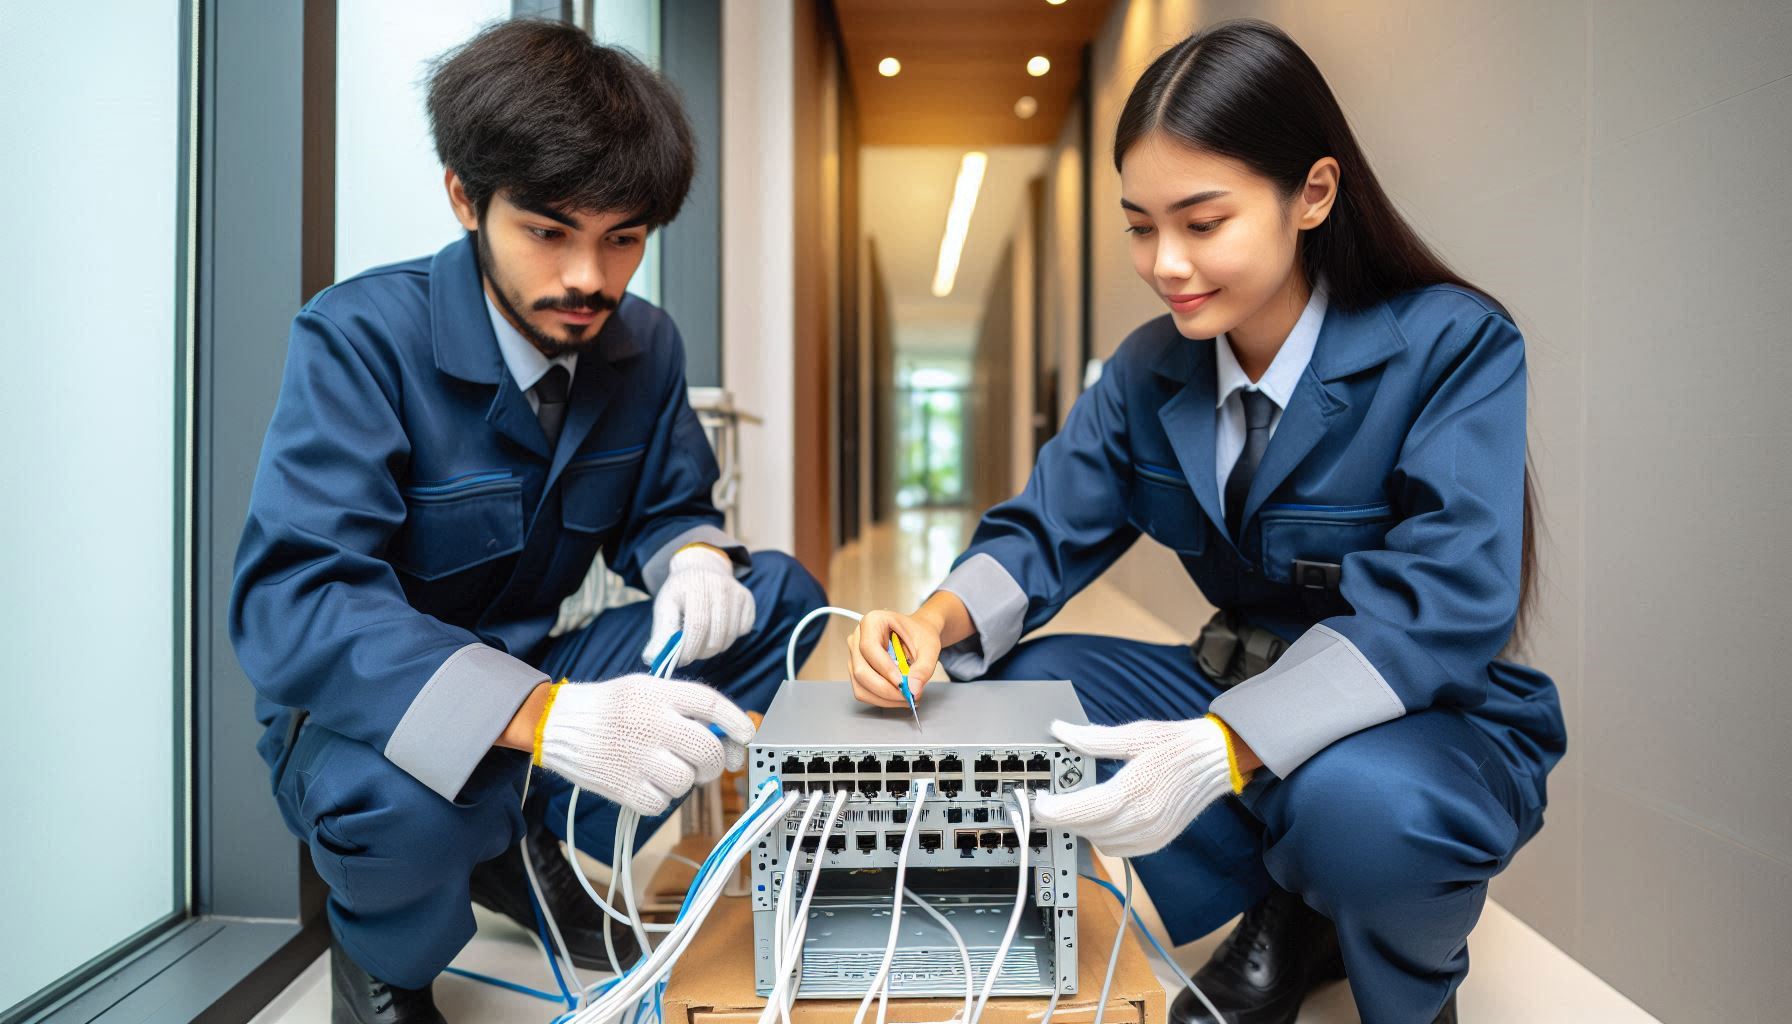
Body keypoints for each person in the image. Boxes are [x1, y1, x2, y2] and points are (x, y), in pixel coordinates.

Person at [845, 20, 1565, 1024]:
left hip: (1422, 714)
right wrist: (930, 624)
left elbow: (1444, 604)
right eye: (1140, 225)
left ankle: (1383, 957)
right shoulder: (1151, 369)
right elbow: (1043, 529)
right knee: (1010, 695)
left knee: (1358, 805)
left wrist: (1229, 745)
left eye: (1202, 220)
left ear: (1311, 193)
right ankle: (1289, 900)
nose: (1164, 262)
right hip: (1243, 670)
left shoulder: (1450, 343)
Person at [230, 21, 824, 1024]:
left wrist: (692, 560)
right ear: (466, 198)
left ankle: (518, 836)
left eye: (623, 238)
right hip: (367, 719)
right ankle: (385, 957)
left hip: (541, 672)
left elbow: (672, 502)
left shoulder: (644, 344)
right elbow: (299, 602)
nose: (591, 277)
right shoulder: (362, 336)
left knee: (777, 601)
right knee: (405, 805)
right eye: (550, 231)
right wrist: (550, 718)